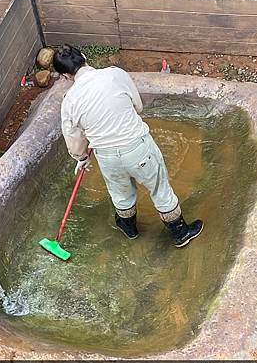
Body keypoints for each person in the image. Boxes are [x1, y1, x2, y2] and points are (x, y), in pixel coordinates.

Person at [53, 44, 203, 247]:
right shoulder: (115, 75)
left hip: (106, 156)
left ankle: (129, 228)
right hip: (137, 147)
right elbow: (137, 106)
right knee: (159, 189)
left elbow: (73, 136)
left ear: (65, 76)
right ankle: (180, 232)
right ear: (84, 56)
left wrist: (81, 158)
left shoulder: (69, 101)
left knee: (120, 193)